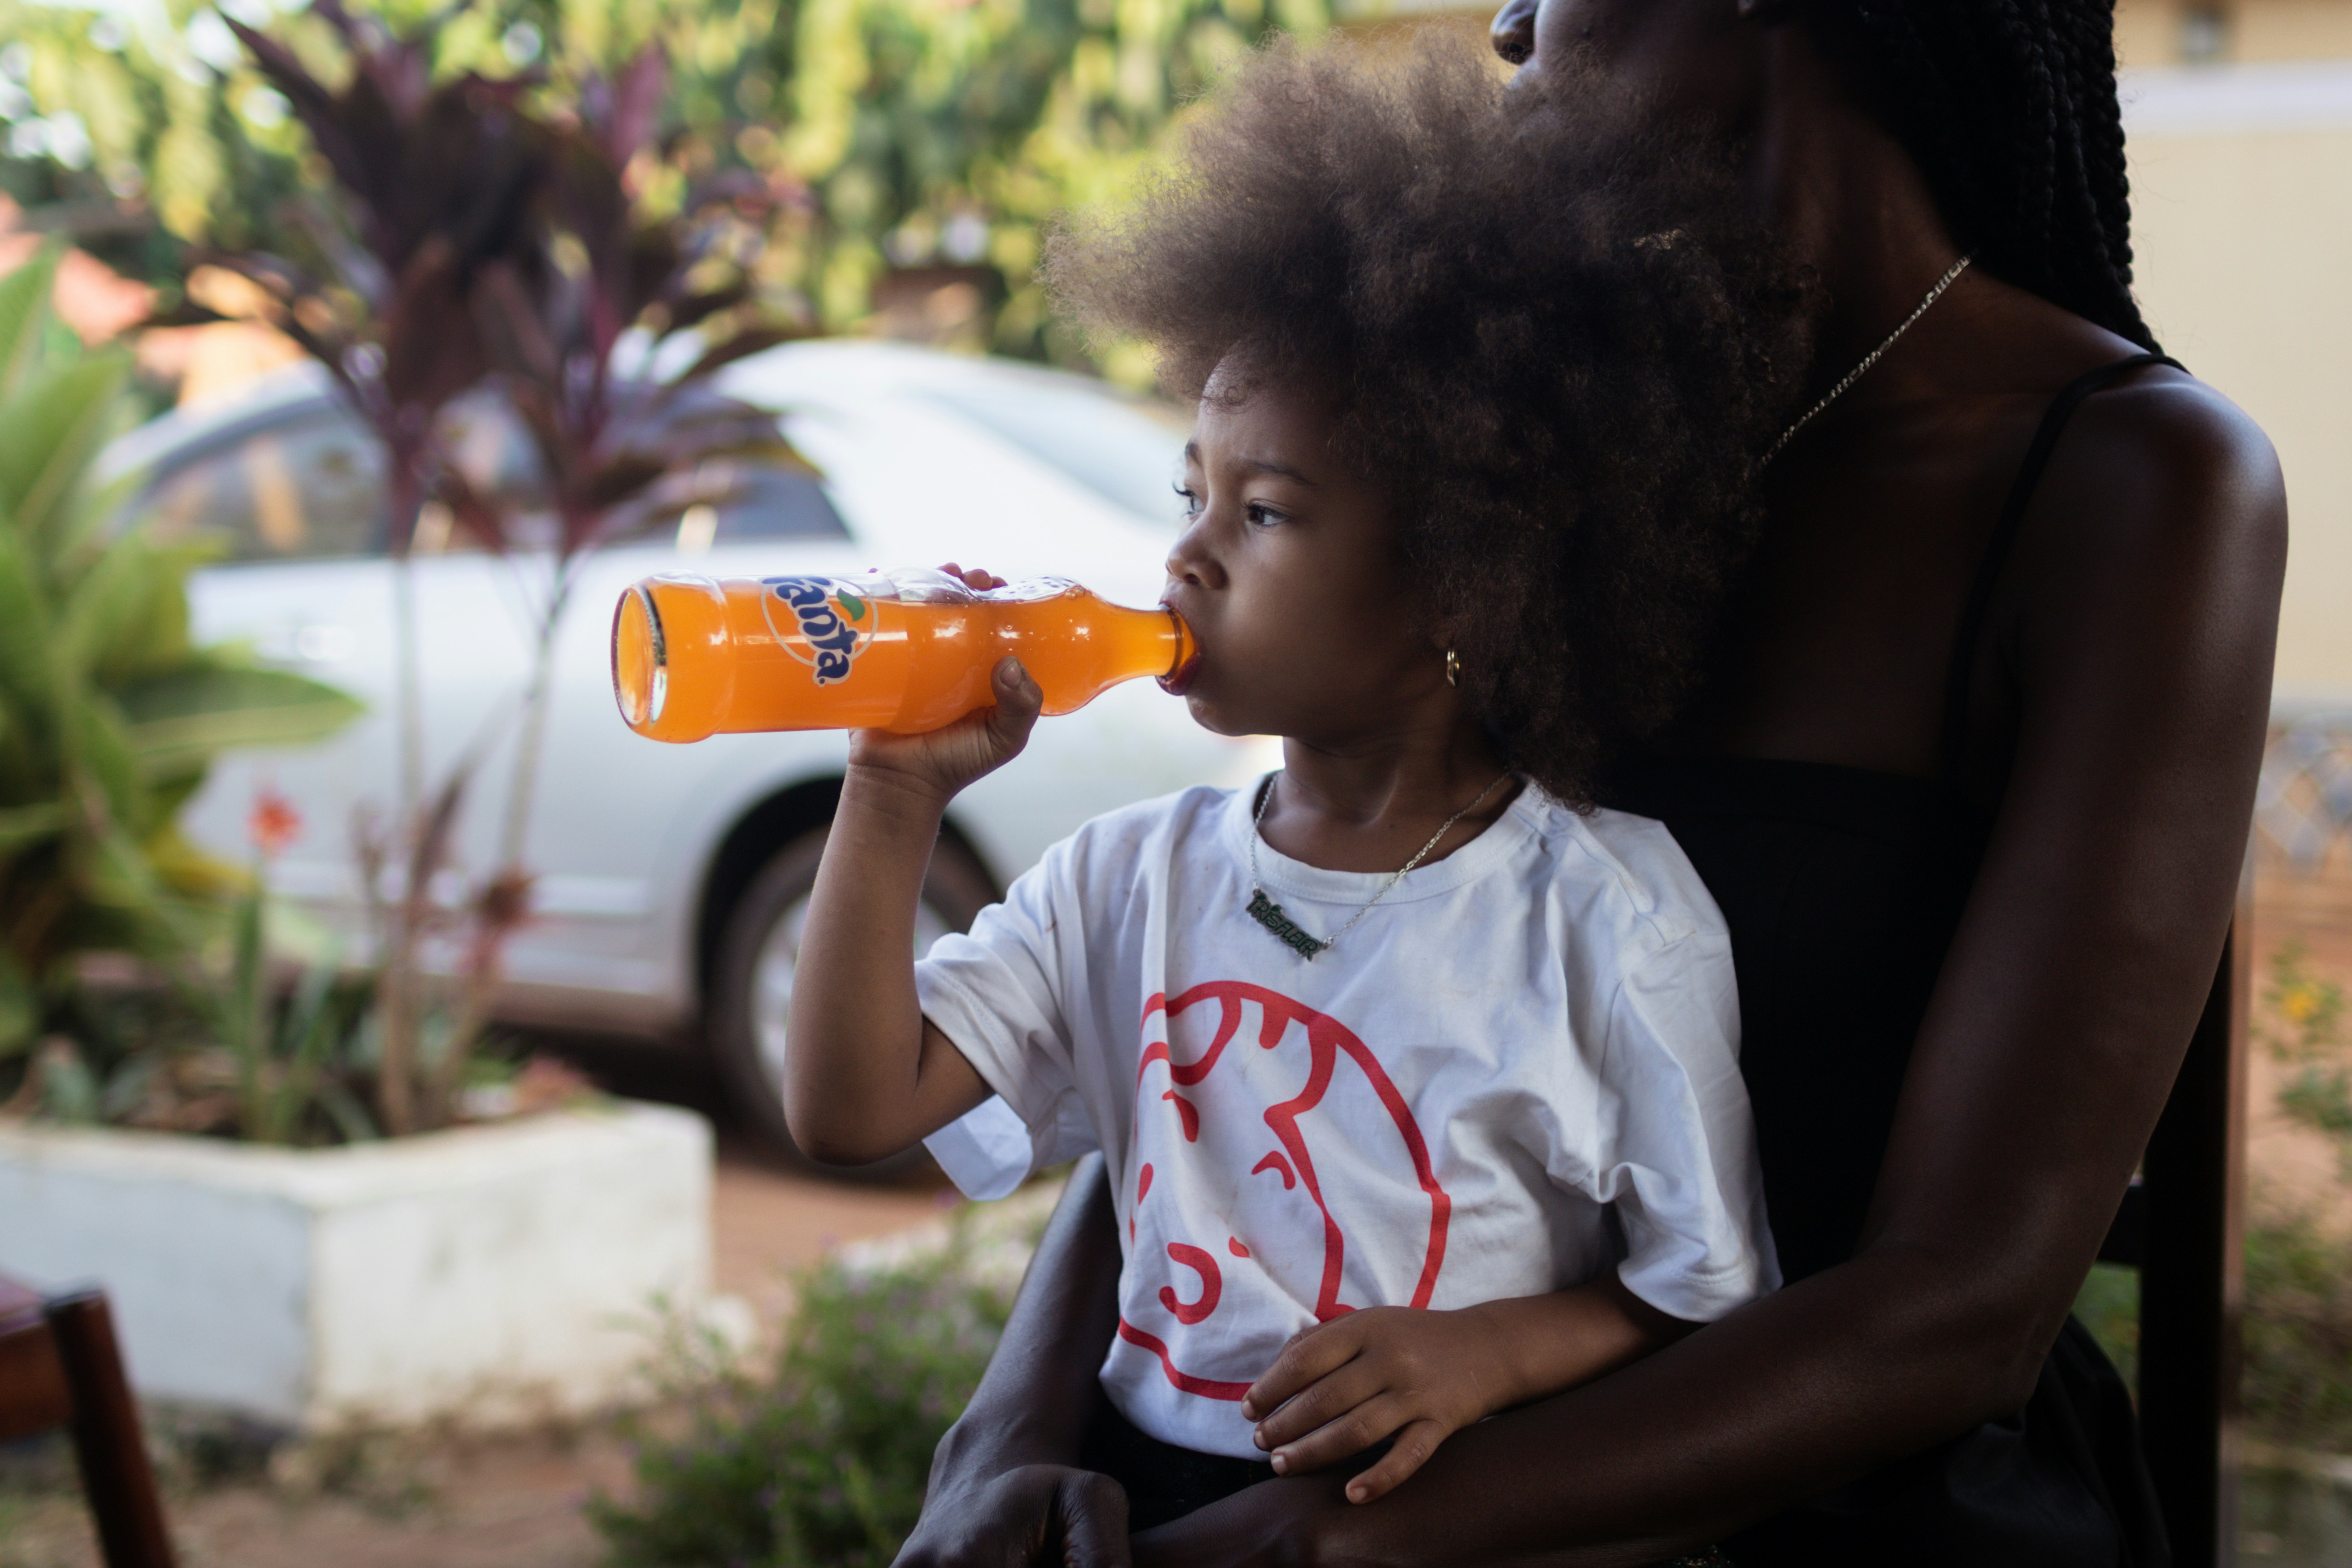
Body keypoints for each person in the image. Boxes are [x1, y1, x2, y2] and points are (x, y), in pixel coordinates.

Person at [892, 2, 2291, 1565]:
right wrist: (1002, 1436)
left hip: (1826, 1481)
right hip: (1356, 1447)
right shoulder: (1548, 431)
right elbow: (1256, 1027)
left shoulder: (2131, 484)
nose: (1506, 26)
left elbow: (1963, 1307)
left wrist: (1320, 1547)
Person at [782, 42, 1810, 1539]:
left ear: (1468, 573)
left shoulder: (1606, 914)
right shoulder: (1123, 877)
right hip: (1143, 1505)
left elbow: (1705, 1292)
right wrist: (889, 797)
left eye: (1262, 512)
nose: (1188, 555)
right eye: (1186, 494)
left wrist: (1493, 1347)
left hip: (1429, 1522)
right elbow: (849, 1106)